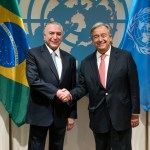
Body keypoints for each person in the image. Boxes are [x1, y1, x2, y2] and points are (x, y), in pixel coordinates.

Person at [60, 22, 140, 150]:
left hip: (121, 116)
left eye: (103, 35)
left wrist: (135, 112)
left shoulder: (125, 57)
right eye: (96, 36)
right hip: (98, 117)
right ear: (92, 40)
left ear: (110, 37)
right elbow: (82, 87)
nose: (100, 39)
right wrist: (69, 94)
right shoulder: (86, 62)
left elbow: (134, 86)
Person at [26, 21, 77, 150]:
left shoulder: (69, 58)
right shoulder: (33, 54)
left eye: (58, 34)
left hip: (61, 114)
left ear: (62, 36)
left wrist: (71, 115)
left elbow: (72, 87)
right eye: (51, 33)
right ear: (44, 36)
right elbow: (33, 80)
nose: (55, 37)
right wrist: (57, 92)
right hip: (39, 113)